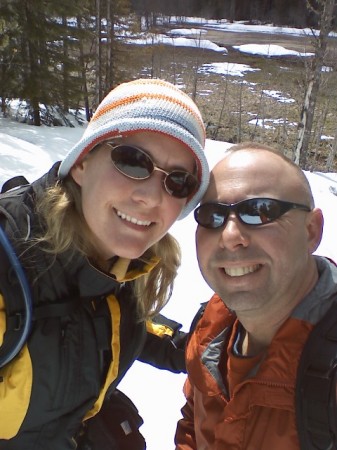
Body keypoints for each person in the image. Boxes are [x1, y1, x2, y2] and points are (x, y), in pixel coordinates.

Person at [0, 78, 209, 449]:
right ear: (81, 163)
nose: (149, 197)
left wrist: (192, 347)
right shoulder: (10, 264)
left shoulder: (123, 263)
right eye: (132, 160)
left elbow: (108, 313)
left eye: (178, 182)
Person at [175, 142, 337, 450]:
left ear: (311, 231)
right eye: (212, 215)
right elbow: (192, 423)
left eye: (259, 211)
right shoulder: (211, 329)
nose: (230, 236)